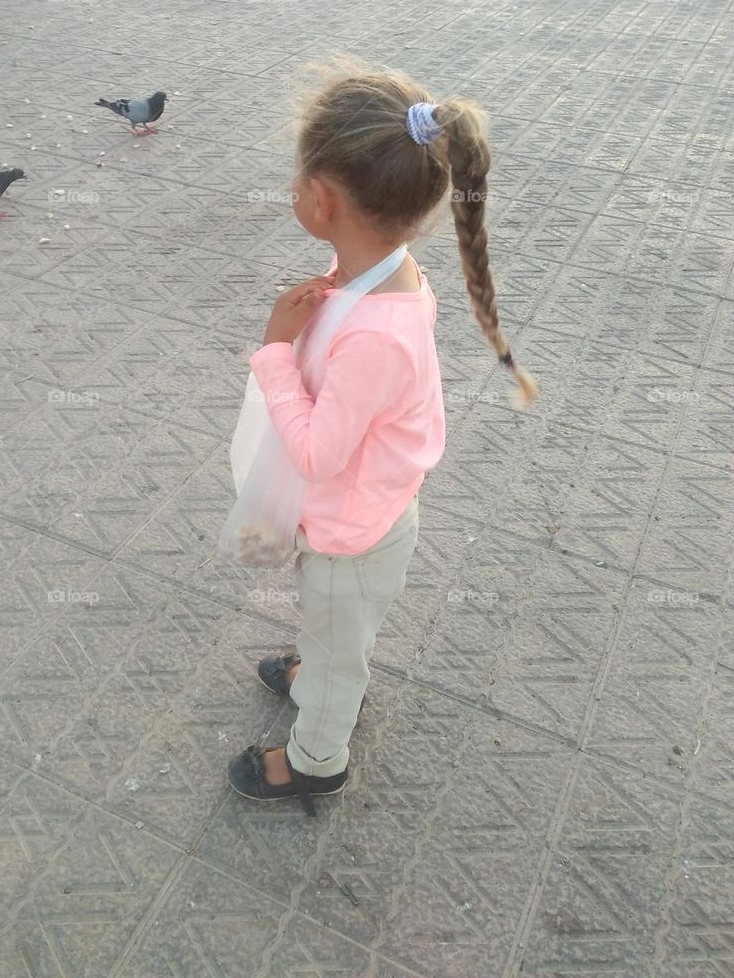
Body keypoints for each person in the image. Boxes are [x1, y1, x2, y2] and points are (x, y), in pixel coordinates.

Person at [225, 61, 536, 813]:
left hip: (352, 535)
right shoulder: (385, 271)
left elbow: (315, 454)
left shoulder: (377, 334)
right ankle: (322, 673)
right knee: (335, 631)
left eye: (297, 181)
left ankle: (315, 759)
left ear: (322, 199)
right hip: (367, 513)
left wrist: (274, 351)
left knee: (339, 650)